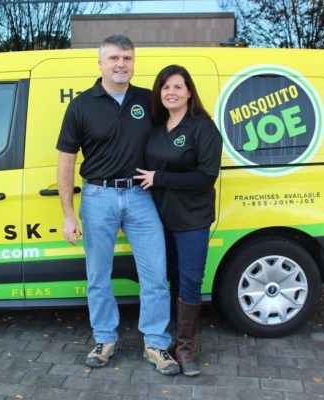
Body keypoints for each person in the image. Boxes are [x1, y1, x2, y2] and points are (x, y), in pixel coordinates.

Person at [56, 35, 180, 375]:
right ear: (100, 63)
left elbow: (176, 133)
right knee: (98, 276)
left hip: (141, 196)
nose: (120, 64)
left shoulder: (148, 101)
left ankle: (155, 343)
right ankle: (104, 339)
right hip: (97, 198)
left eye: (126, 58)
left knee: (155, 275)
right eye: (113, 58)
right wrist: (68, 214)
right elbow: (66, 162)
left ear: (133, 62)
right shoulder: (81, 105)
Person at [135, 65, 223, 376]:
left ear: (189, 92)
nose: (171, 92)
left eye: (177, 87)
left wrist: (160, 178)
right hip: (156, 219)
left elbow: (205, 177)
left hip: (191, 220)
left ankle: (185, 347)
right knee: (165, 280)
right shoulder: (156, 127)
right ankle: (166, 343)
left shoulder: (203, 127)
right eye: (165, 87)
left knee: (190, 281)